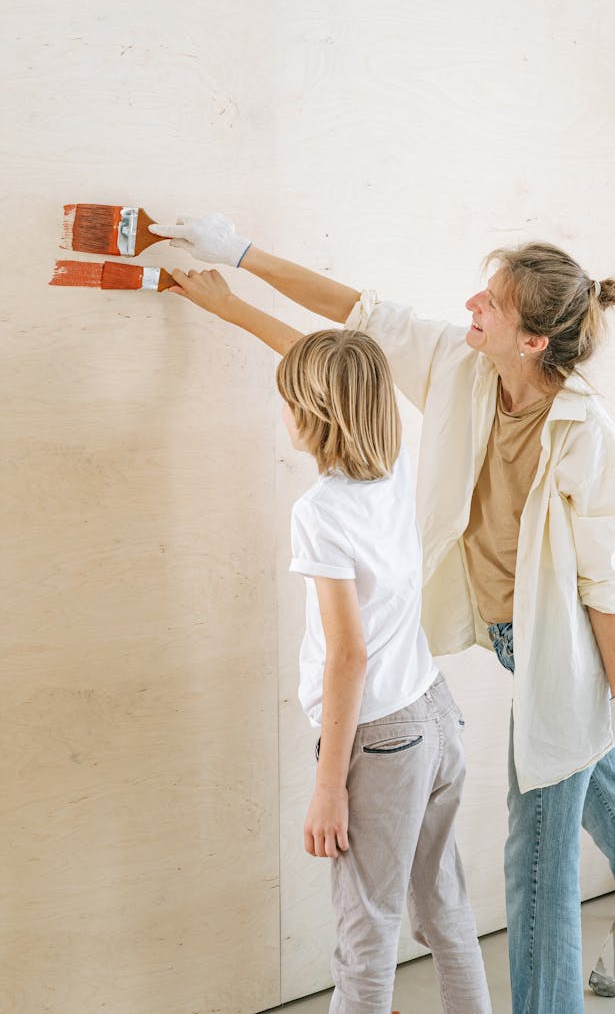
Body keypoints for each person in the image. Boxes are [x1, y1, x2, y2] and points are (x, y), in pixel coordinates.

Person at [151, 213, 615, 1014]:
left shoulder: (590, 438)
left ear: (532, 340)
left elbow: (609, 584)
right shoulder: (461, 369)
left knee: (535, 854)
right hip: (508, 637)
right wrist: (240, 259)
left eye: (492, 302)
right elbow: (355, 318)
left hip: (561, 653)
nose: (473, 303)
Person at [161, 271, 493, 1014]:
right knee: (445, 907)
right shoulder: (399, 467)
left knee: (364, 937)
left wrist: (326, 786)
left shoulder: (321, 512)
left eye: (288, 398)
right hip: (435, 716)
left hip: (377, 738)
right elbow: (335, 368)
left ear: (307, 414)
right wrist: (232, 307)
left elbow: (348, 655)